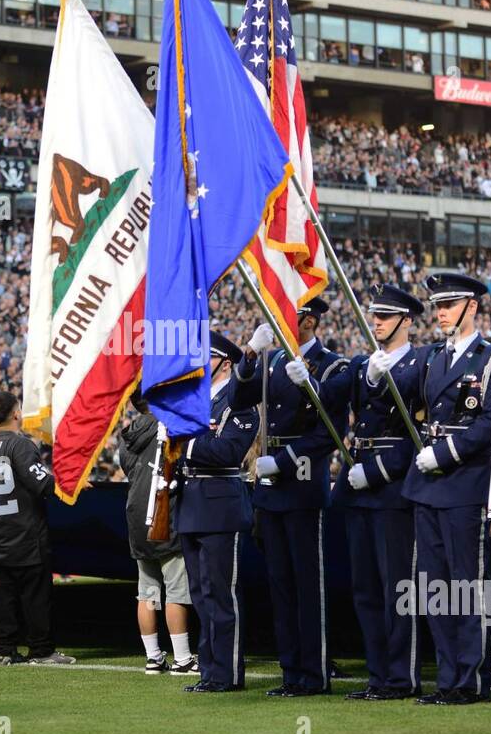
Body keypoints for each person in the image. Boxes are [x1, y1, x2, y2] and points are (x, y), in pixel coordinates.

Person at [234, 299, 348, 697]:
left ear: (309, 321)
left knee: (307, 585)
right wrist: (249, 354)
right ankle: (290, 673)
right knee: (280, 585)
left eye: (288, 313)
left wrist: (281, 461)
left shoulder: (334, 365)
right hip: (270, 484)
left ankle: (314, 674)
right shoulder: (270, 361)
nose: (279, 320)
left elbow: (329, 430)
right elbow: (238, 399)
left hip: (300, 480)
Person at [317, 284, 423, 701]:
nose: (376, 322)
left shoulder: (420, 364)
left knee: (397, 588)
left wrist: (377, 471)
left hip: (391, 488)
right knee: (365, 590)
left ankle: (401, 677)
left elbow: (415, 436)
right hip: (357, 488)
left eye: (385, 316)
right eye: (374, 315)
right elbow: (326, 400)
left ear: (405, 321)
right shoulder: (362, 364)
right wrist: (364, 375)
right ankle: (378, 675)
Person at [399, 272, 491, 706]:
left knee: (468, 585)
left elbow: (486, 424)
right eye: (437, 306)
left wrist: (447, 453)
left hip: (462, 482)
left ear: (471, 308)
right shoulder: (430, 357)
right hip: (428, 486)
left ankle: (471, 679)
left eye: (449, 305)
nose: (440, 313)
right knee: (434, 586)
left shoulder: (489, 359)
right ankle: (447, 677)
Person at [174, 332, 258, 692]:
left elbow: (228, 452)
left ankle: (227, 673)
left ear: (224, 361)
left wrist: (186, 444)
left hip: (220, 504)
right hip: (190, 502)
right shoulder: (192, 401)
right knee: (200, 594)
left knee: (222, 594)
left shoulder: (238, 403)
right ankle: (210, 671)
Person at [0, 390, 74, 666]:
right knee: (37, 596)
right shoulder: (20, 445)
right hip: (25, 534)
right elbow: (42, 483)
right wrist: (71, 483)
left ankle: (4, 650)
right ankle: (41, 650)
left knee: (5, 597)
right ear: (16, 414)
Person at [117, 397, 197, 675]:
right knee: (176, 589)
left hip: (136, 514)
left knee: (147, 592)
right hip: (164, 512)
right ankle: (183, 658)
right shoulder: (171, 427)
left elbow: (128, 468)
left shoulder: (129, 433)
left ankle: (153, 657)